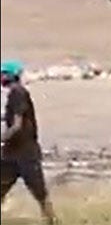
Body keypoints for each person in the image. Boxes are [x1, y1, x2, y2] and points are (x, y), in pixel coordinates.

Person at [1, 60, 56, 224]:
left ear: (11, 75)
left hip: (25, 153)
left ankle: (52, 221)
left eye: (3, 73)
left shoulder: (18, 93)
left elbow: (17, 126)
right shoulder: (15, 94)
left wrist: (2, 138)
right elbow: (15, 118)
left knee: (39, 192)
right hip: (13, 152)